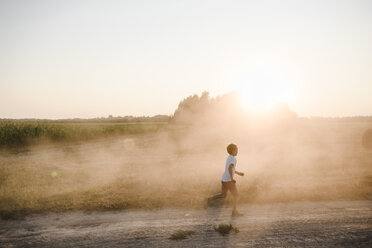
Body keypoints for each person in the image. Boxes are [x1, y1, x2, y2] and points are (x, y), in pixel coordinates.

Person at [208, 143, 244, 216]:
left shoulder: (229, 157)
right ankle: (234, 212)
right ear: (233, 151)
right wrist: (232, 179)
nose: (237, 151)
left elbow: (232, 168)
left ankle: (209, 199)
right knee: (236, 195)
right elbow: (230, 169)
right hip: (228, 180)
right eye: (236, 150)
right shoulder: (233, 159)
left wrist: (238, 173)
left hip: (224, 179)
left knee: (223, 195)